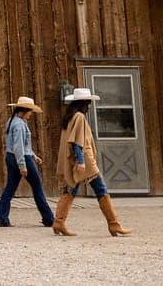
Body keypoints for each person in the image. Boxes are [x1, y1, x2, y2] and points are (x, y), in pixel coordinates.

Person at [52, 87, 132, 237]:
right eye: (88, 103)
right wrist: (81, 161)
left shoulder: (69, 117)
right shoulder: (80, 117)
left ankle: (59, 222)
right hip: (86, 161)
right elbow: (77, 142)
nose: (89, 106)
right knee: (101, 189)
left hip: (77, 160)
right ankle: (114, 224)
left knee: (70, 189)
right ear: (83, 103)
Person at [0, 96, 54, 227]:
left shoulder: (12, 121)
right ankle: (49, 218)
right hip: (22, 157)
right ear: (25, 110)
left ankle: (1, 216)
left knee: (10, 187)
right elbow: (19, 147)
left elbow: (20, 145)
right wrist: (23, 165)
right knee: (37, 187)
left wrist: (33, 155)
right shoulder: (20, 125)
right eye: (30, 111)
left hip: (11, 156)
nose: (31, 114)